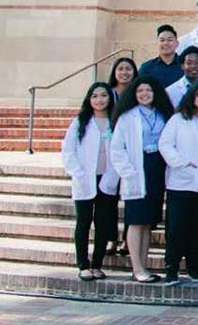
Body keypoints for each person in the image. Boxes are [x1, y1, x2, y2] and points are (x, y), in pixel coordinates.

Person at [109, 75, 174, 284]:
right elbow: (117, 149)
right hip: (137, 169)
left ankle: (143, 265)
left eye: (148, 91)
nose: (144, 95)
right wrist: (128, 172)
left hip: (157, 168)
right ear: (134, 94)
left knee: (147, 223)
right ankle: (136, 268)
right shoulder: (128, 117)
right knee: (136, 221)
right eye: (140, 91)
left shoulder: (162, 114)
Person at [158, 81, 198, 286]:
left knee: (197, 229)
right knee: (176, 229)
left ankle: (194, 268)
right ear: (192, 96)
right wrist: (181, 163)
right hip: (181, 184)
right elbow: (165, 144)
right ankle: (172, 269)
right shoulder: (178, 119)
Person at [63, 82, 119, 282]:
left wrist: (116, 174)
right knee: (84, 222)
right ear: (89, 99)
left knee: (103, 223)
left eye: (103, 95)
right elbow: (68, 151)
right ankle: (83, 265)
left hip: (108, 178)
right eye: (94, 96)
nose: (99, 100)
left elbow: (120, 150)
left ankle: (97, 264)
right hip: (85, 178)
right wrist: (77, 172)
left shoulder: (115, 121)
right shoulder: (81, 121)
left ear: (110, 98)